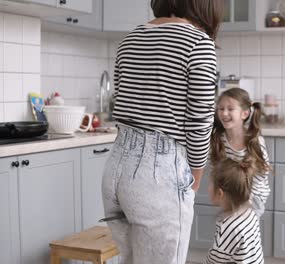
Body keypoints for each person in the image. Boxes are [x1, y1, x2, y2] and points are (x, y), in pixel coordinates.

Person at [101, 1, 224, 263]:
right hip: (159, 174)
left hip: (117, 169)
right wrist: (196, 176)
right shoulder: (198, 43)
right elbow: (200, 122)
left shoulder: (130, 39)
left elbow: (119, 100)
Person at [211, 88, 271, 216]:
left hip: (253, 201)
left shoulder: (255, 142)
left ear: (244, 114)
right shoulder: (219, 139)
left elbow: (261, 178)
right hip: (230, 199)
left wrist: (246, 205)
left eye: (230, 109)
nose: (224, 113)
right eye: (221, 109)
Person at [205, 158, 264, 264]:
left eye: (210, 184)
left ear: (220, 193)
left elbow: (215, 260)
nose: (208, 188)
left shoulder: (228, 227)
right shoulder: (251, 211)